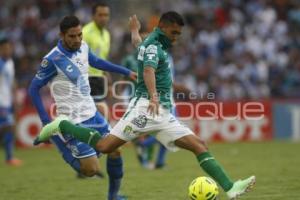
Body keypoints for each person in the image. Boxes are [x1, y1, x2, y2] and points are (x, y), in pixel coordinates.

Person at [35, 12, 255, 200]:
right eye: (174, 33)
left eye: (179, 34)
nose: (176, 38)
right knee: (104, 147)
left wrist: (134, 31)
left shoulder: (152, 42)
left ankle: (230, 188)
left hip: (162, 114)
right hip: (146, 109)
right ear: (163, 28)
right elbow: (148, 69)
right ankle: (63, 125)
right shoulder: (155, 46)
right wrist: (153, 96)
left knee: (199, 145)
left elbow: (140, 47)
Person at [29, 15, 136, 200]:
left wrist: (126, 72)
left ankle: (113, 196)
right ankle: (58, 136)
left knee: (116, 150)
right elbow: (33, 88)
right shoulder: (53, 59)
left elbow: (98, 62)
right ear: (62, 35)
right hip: (73, 121)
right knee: (91, 170)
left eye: (80, 35)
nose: (77, 40)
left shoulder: (83, 47)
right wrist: (46, 121)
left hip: (93, 115)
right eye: (72, 36)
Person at [82, 2, 112, 119]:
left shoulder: (107, 35)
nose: (103, 18)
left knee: (100, 120)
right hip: (86, 79)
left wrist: (108, 81)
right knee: (104, 116)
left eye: (106, 15)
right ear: (93, 16)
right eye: (100, 15)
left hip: (99, 80)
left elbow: (103, 59)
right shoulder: (85, 33)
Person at [0, 37, 23, 166]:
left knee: (9, 128)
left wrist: (16, 98)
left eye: (9, 48)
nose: (7, 50)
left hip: (7, 102)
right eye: (4, 48)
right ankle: (9, 158)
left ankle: (9, 157)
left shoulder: (10, 63)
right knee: (8, 127)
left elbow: (12, 82)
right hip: (1, 103)